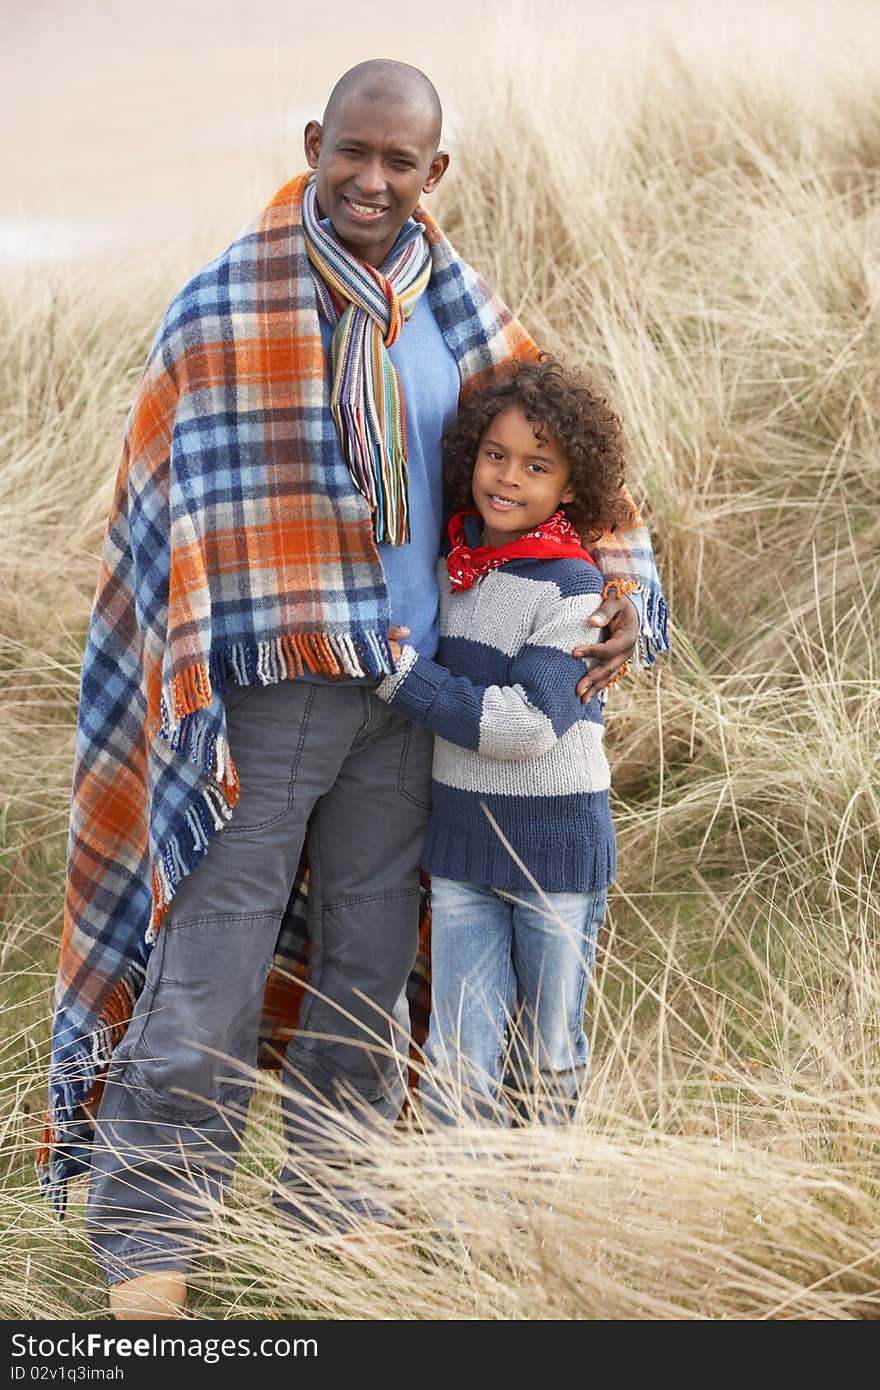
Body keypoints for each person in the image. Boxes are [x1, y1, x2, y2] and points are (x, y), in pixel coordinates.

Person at [38, 59, 668, 1319]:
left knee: (369, 966)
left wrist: (623, 588)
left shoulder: (456, 303)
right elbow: (168, 517)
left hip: (414, 697)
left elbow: (565, 459)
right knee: (207, 969)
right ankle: (148, 1255)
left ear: (434, 174)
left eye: (400, 162)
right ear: (317, 143)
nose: (371, 180)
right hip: (270, 694)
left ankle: (330, 1225)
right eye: (353, 153)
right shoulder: (225, 306)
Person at [378, 359, 627, 1127]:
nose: (509, 478)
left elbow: (523, 726)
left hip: (553, 855)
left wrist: (400, 677)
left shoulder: (575, 589)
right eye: (496, 455)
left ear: (571, 486)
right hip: (460, 853)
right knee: (457, 1056)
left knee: (547, 1051)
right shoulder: (455, 568)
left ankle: (539, 1225)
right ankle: (462, 1236)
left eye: (537, 465)